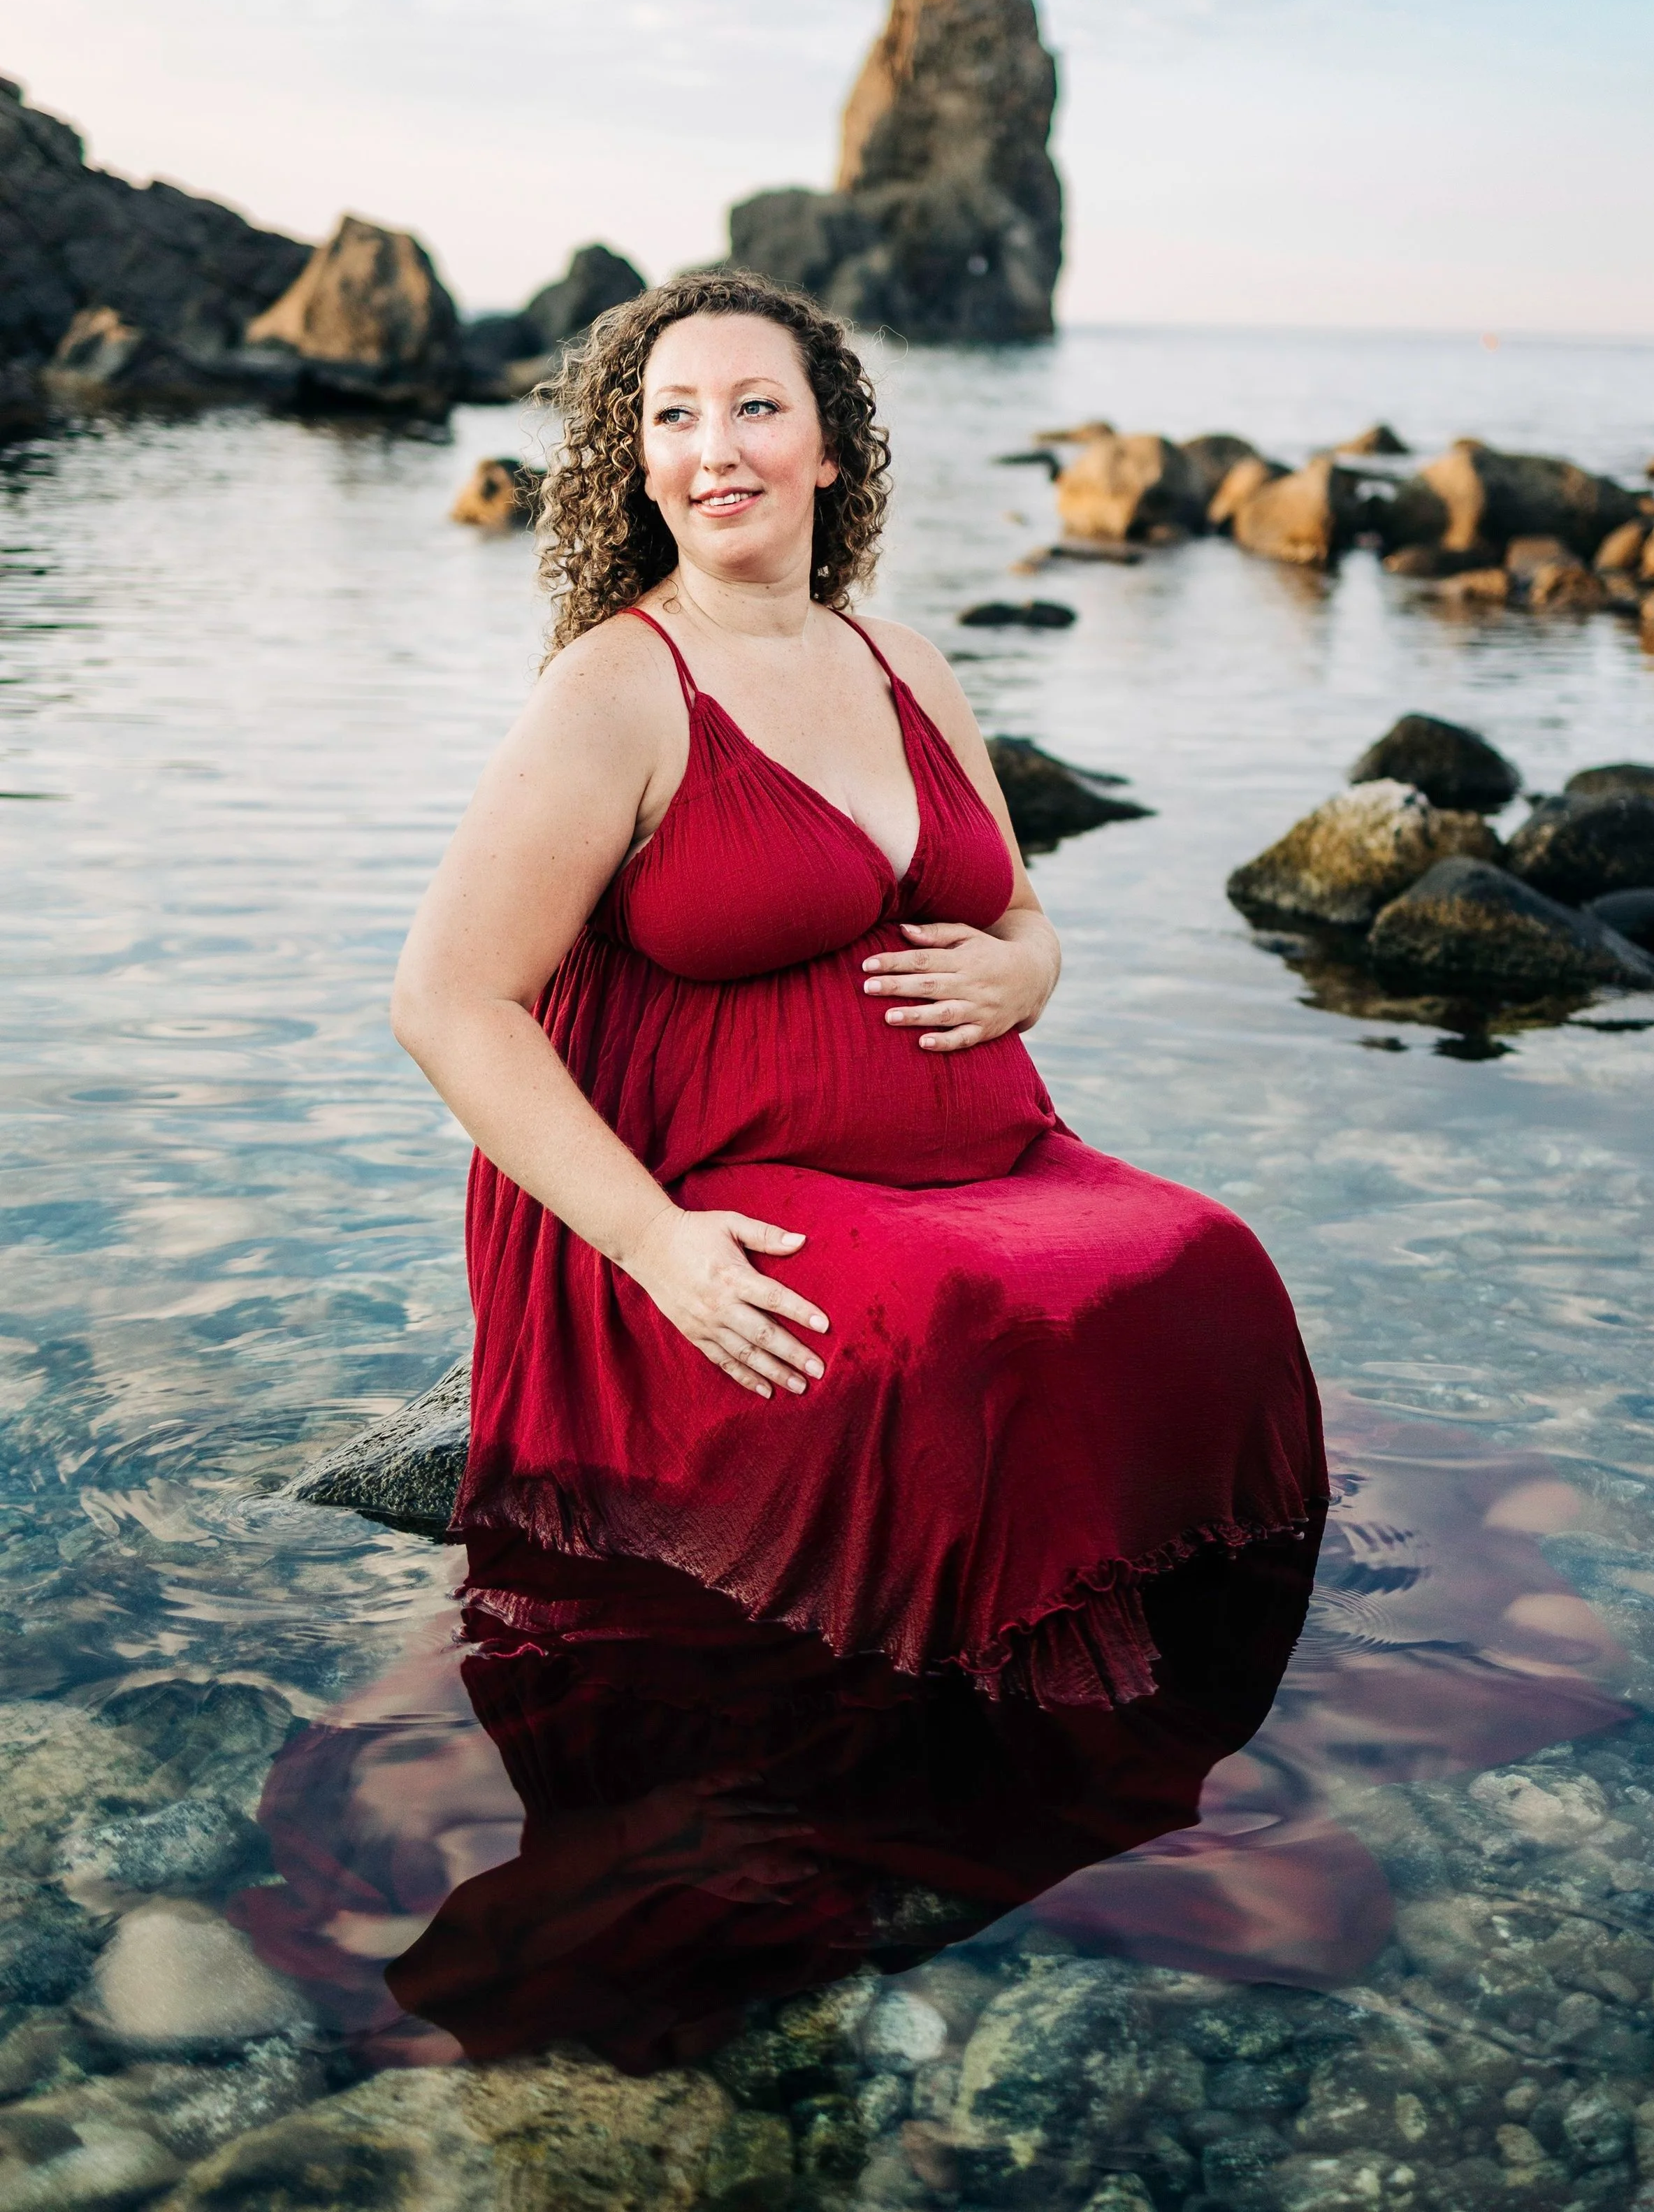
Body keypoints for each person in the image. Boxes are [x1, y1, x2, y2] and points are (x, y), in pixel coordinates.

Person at [391, 273, 1326, 1707]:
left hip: (992, 1163)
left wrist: (1025, 968)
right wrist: (656, 1245)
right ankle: (1018, 1753)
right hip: (707, 1193)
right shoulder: (616, 690)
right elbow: (449, 1002)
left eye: (757, 408)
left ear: (830, 447)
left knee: (1215, 1264)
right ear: (637, 464)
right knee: (955, 1333)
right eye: (675, 417)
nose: (718, 449)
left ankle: (1222, 1669)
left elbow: (1014, 909)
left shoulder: (903, 663)